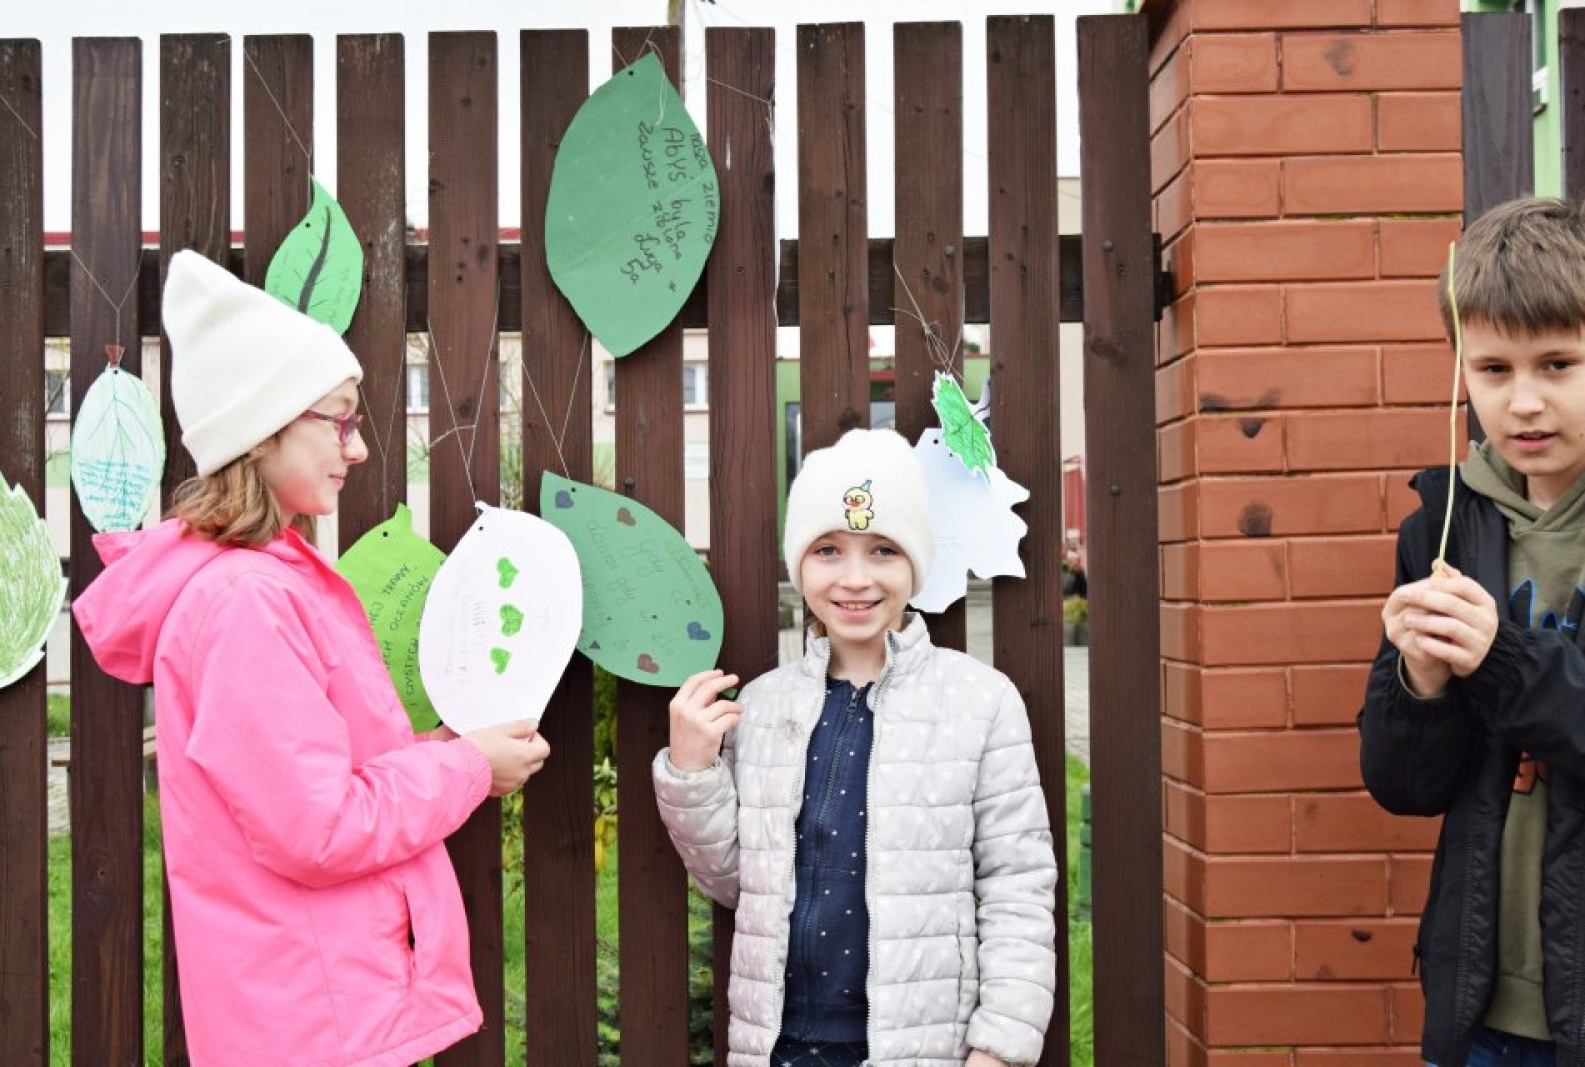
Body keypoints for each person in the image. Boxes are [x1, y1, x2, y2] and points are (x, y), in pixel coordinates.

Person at [73, 250, 550, 1067]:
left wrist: (454, 753)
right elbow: (318, 829)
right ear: (262, 432)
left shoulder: (265, 584)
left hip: (313, 1005)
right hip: (312, 1022)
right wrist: (467, 767)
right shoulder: (246, 604)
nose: (356, 448)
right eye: (337, 418)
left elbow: (319, 780)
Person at [654, 427, 1057, 1067]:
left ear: (915, 564)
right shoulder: (761, 706)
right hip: (777, 1047)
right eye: (829, 550)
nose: (855, 578)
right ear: (800, 566)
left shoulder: (981, 701)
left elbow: (1018, 886)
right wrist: (691, 771)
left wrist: (1000, 1047)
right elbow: (734, 883)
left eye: (884, 551)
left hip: (921, 1048)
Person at [1359, 190, 1585, 1067]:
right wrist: (1417, 684)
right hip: (1480, 1008)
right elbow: (1404, 784)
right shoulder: (1445, 523)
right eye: (1493, 369)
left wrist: (1497, 657)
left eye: (1558, 364)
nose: (1524, 401)